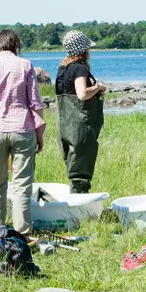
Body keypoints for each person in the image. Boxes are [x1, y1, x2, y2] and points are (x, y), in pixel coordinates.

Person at [0, 29, 45, 236]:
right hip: (23, 129)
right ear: (16, 46)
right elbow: (35, 103)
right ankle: (22, 235)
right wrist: (40, 133)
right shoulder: (25, 65)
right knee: (22, 185)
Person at [55, 30, 106, 193]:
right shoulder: (79, 69)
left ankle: (75, 198)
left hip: (64, 124)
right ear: (84, 50)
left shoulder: (63, 69)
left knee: (72, 164)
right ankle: (81, 203)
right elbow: (82, 94)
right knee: (81, 167)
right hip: (79, 125)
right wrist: (98, 87)